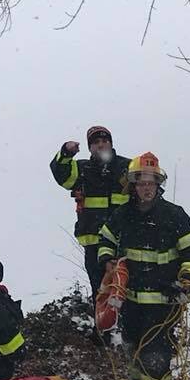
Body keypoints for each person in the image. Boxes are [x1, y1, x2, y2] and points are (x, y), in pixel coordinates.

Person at [96, 152, 190, 380]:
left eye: (151, 183)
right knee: (133, 343)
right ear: (133, 186)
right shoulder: (122, 214)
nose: (146, 188)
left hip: (164, 300)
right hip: (131, 300)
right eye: (142, 183)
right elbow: (105, 239)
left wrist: (187, 277)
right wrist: (107, 260)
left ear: (157, 185)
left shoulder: (174, 215)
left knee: (155, 353)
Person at [50, 125, 131, 308]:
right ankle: (103, 331)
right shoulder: (82, 169)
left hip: (123, 244)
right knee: (101, 293)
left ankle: (126, 332)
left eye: (105, 141)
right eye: (96, 142)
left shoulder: (127, 167)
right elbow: (61, 173)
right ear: (90, 148)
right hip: (94, 245)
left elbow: (147, 188)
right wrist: (66, 153)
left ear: (111, 143)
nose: (101, 145)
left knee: (128, 292)